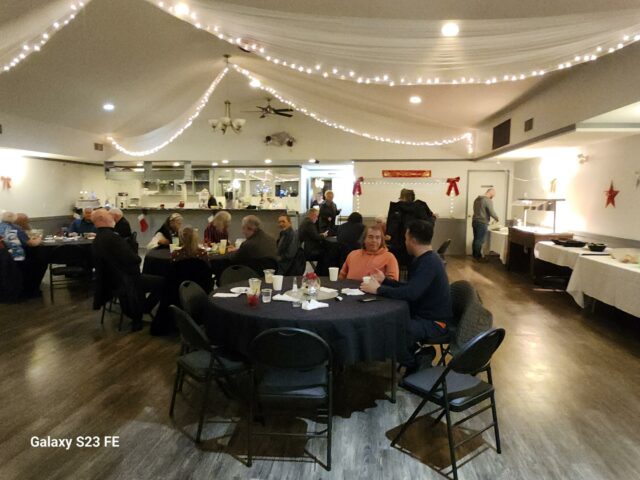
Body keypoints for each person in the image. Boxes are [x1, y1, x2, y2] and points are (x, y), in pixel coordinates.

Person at [360, 219, 452, 373]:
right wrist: (385, 281)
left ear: (412, 240)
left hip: (434, 323)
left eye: (406, 238)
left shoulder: (429, 263)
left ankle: (416, 362)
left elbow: (410, 294)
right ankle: (419, 354)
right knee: (387, 324)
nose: (405, 242)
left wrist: (378, 290)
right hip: (424, 316)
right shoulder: (427, 259)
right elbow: (410, 288)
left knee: (388, 331)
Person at [91, 209, 163, 332]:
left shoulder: (97, 240)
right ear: (102, 219)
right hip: (126, 281)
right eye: (109, 215)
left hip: (110, 282)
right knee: (164, 282)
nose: (112, 218)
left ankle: (142, 307)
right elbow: (134, 259)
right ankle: (145, 308)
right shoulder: (113, 238)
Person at [386, 188, 435, 268]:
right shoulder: (421, 207)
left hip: (398, 249)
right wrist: (433, 218)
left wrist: (388, 235)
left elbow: (392, 228)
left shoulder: (396, 208)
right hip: (417, 247)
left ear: (403, 197)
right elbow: (428, 224)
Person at [0, 211, 44, 298]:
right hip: (17, 257)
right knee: (40, 262)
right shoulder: (15, 228)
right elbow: (32, 243)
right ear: (14, 219)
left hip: (4, 258)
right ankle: (32, 289)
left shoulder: (1, 227)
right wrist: (39, 238)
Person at [472, 188, 500, 261]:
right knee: (480, 240)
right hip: (482, 222)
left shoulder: (477, 199)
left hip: (475, 221)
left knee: (476, 239)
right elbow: (491, 211)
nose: (493, 197)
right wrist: (497, 218)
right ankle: (478, 257)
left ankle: (475, 256)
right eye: (493, 195)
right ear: (491, 192)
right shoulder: (487, 200)